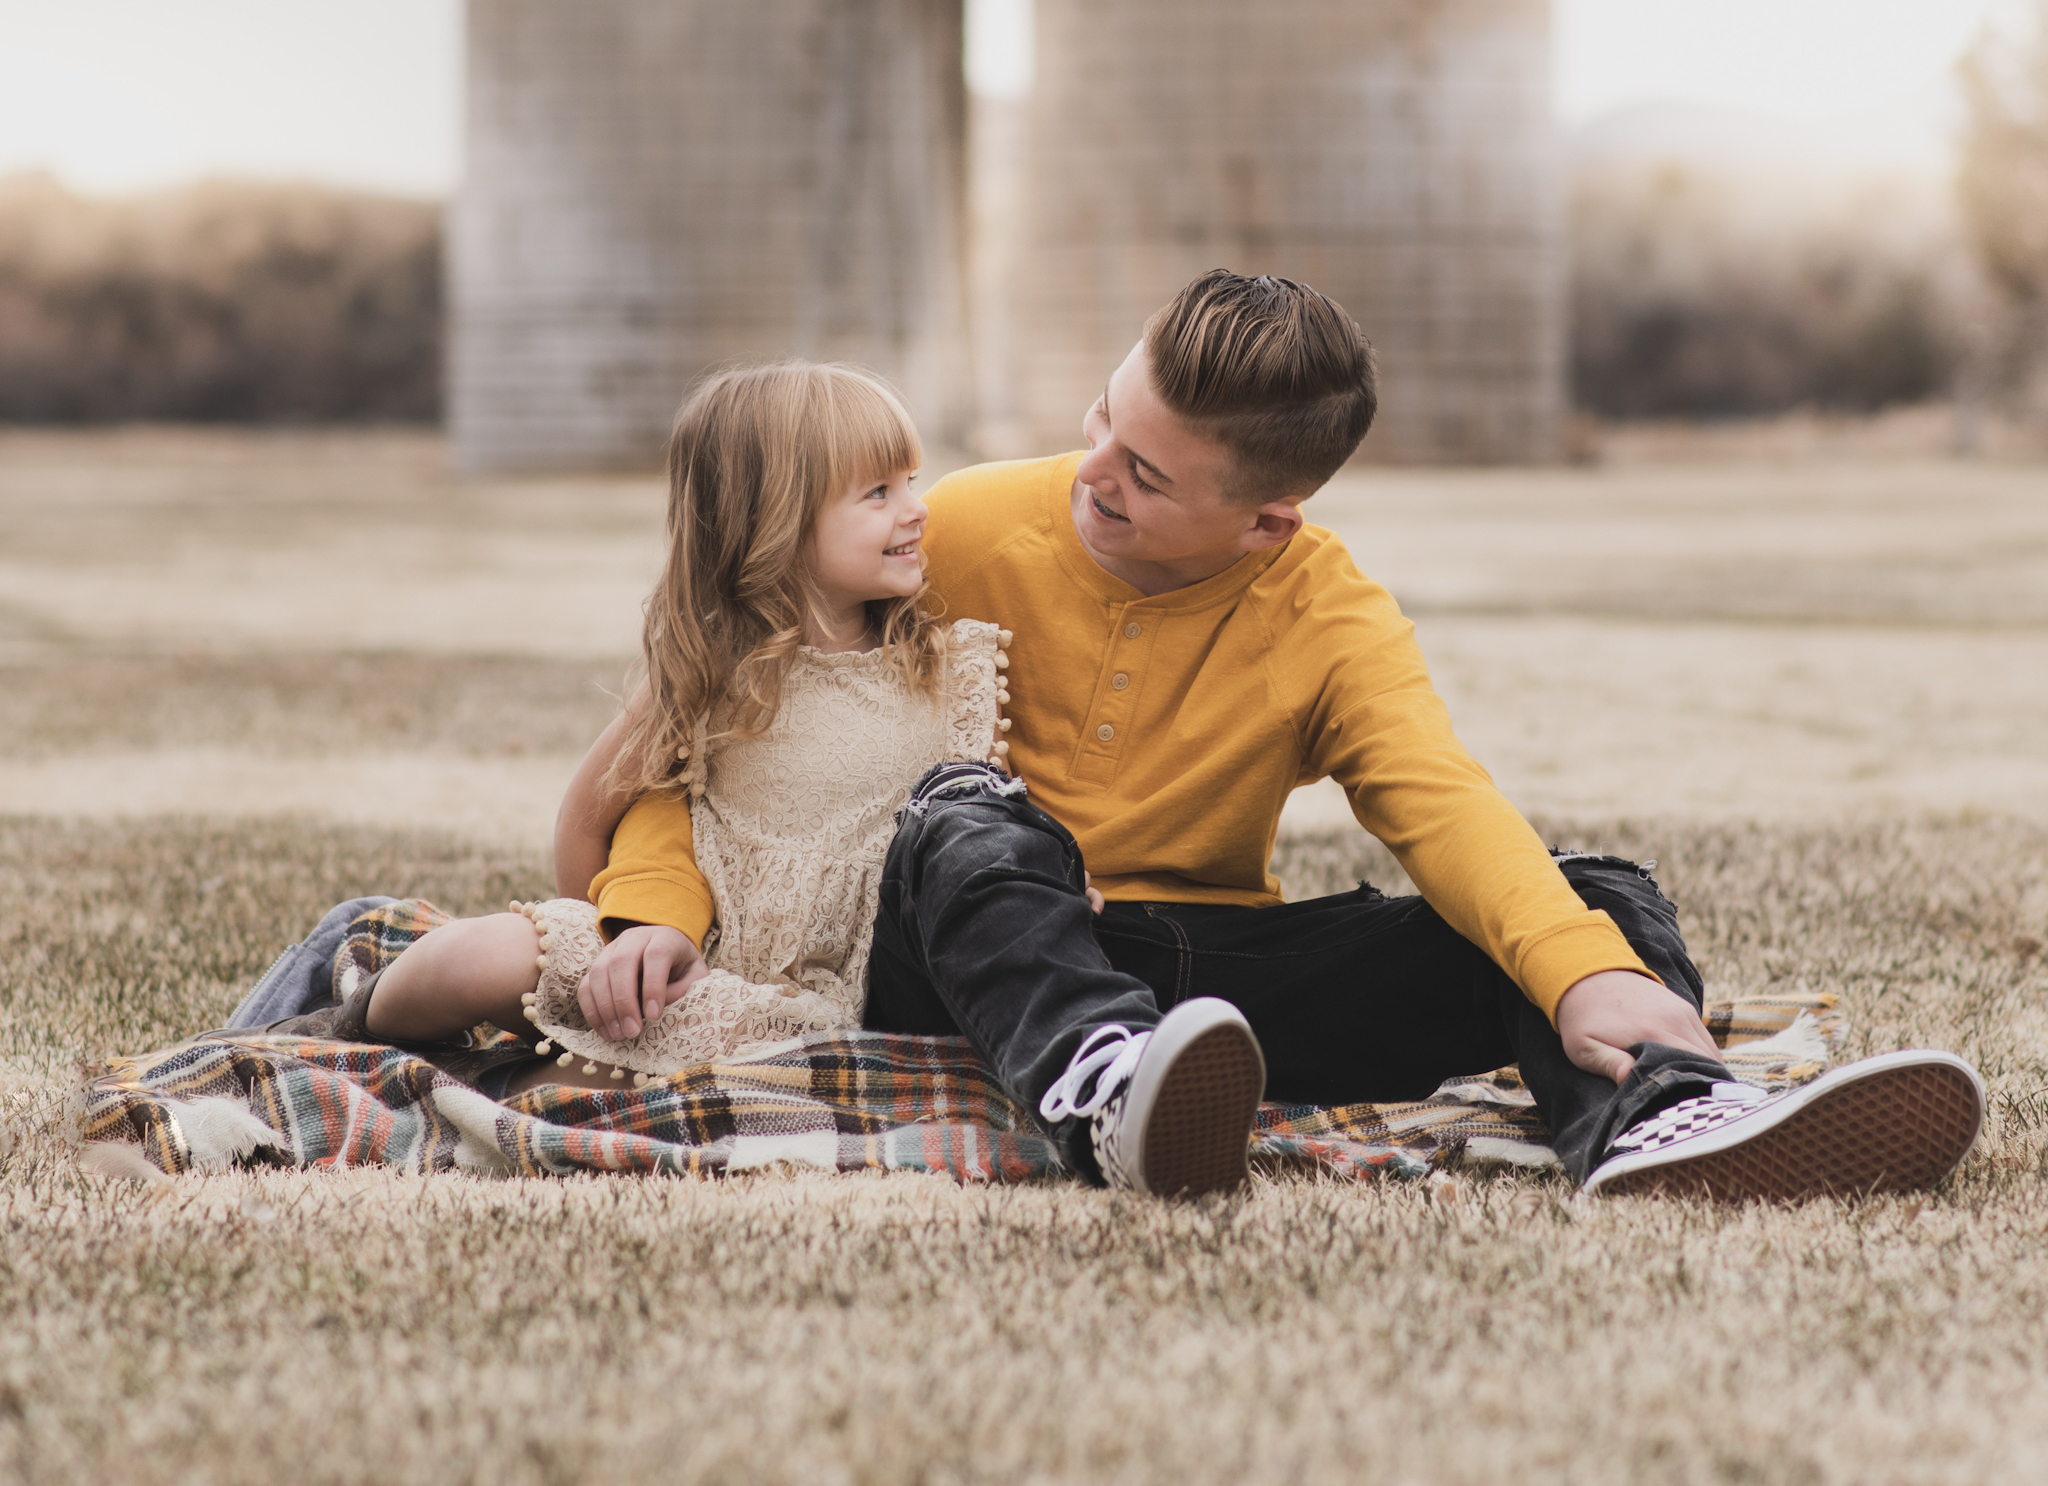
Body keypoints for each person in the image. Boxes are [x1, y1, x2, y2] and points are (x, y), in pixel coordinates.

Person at [554, 272, 1986, 1201]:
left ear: (1264, 518)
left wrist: (1582, 975)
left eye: (1142, 477)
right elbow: (697, 746)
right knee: (968, 807)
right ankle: (1100, 1090)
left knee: (1595, 899)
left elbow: (1446, 811)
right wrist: (639, 904)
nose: (1090, 477)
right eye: (1103, 424)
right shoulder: (956, 528)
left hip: (1212, 982)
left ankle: (1665, 1119)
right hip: (973, 953)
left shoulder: (1328, 610)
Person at [266, 360, 1245, 1109]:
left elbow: (992, 815)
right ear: (771, 524)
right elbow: (604, 821)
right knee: (474, 958)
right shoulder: (716, 677)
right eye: (878, 494)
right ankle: (346, 1027)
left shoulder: (950, 665)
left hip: (837, 995)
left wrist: (1049, 874)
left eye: (911, 482)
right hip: (705, 964)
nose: (918, 511)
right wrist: (640, 930)